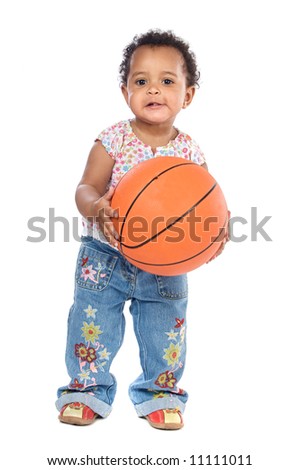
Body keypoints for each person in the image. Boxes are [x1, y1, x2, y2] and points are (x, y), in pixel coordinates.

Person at [56, 29, 229, 430]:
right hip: (105, 257)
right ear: (125, 91)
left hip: (167, 263)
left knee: (165, 333)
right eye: (141, 81)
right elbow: (86, 188)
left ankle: (161, 394)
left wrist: (216, 232)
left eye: (167, 81)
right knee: (91, 324)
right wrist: (97, 207)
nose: (154, 89)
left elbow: (208, 203)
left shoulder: (190, 152)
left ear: (188, 95)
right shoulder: (112, 140)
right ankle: (86, 390)